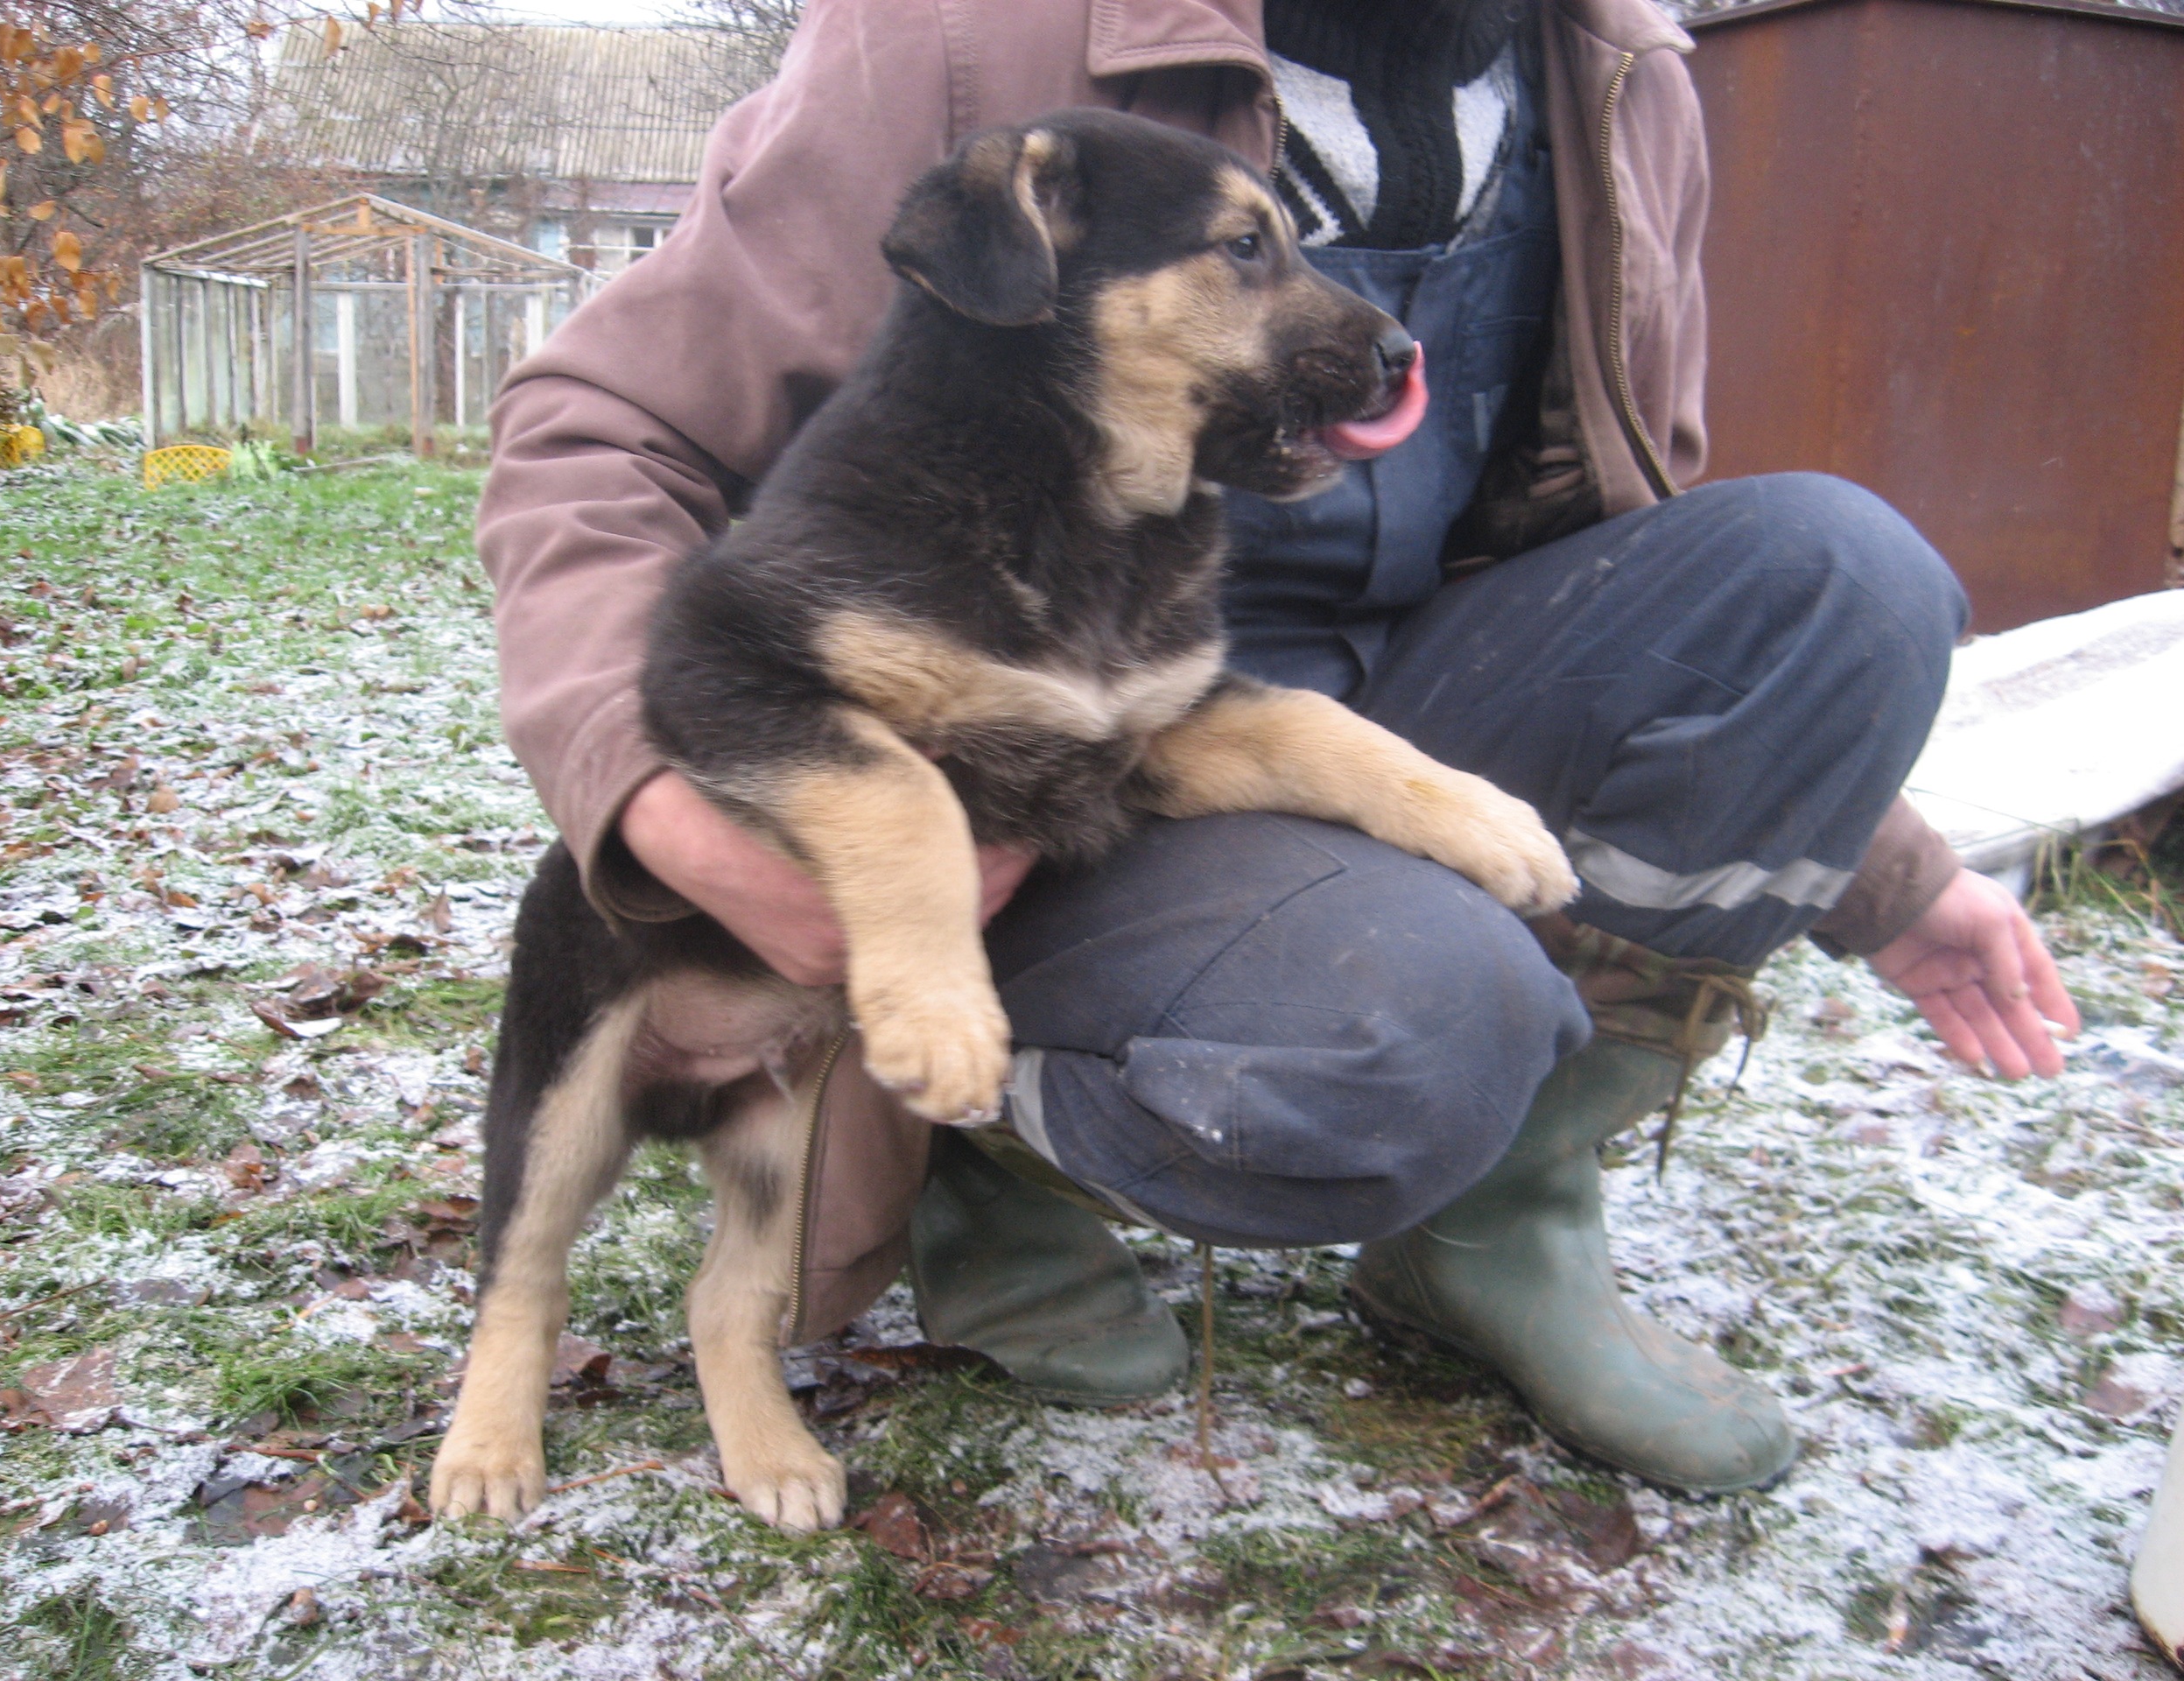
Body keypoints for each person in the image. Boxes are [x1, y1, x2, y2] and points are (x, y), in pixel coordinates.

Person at [477, 0, 2080, 1493]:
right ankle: (981, 1161)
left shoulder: (1625, 67)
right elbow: (603, 434)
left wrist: (1875, 862)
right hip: (1017, 742)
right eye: (1250, 256)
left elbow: (1618, 529)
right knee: (1410, 1031)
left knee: (1843, 575)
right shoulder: (969, 32)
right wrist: (665, 809)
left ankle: (1496, 1228)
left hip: (1271, 677)